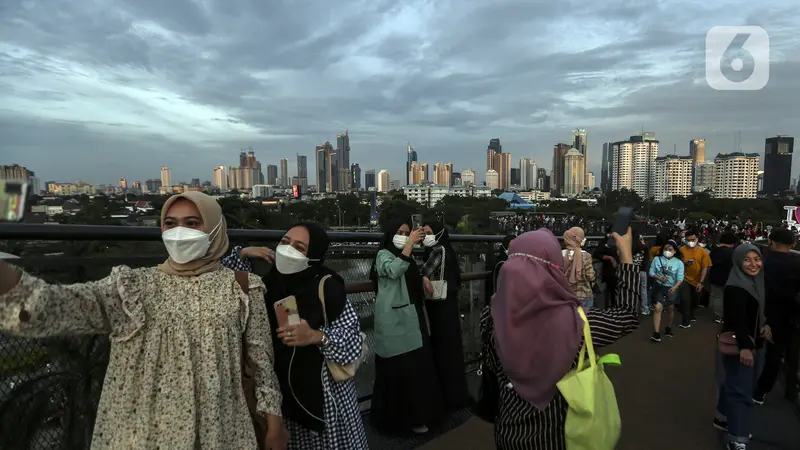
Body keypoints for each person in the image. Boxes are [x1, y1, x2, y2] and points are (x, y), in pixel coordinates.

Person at [0, 192, 286, 449]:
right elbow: (54, 306)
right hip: (144, 433)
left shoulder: (243, 288)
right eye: (170, 223)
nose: (179, 232)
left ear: (214, 228)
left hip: (224, 431)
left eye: (192, 223)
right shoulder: (132, 288)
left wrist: (274, 425)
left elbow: (261, 362)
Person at [481, 227, 641, 449]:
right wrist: (626, 255)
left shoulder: (489, 318)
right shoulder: (577, 323)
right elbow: (627, 315)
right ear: (554, 268)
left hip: (509, 433)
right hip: (558, 436)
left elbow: (492, 366)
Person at [227, 223, 369, 449]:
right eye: (284, 242)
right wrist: (243, 252)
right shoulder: (266, 283)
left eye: (299, 247)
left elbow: (353, 345)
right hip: (279, 396)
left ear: (313, 256)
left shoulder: (327, 286)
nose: (288, 249)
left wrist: (316, 336)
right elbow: (221, 280)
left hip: (325, 398)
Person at [369, 220, 444, 435]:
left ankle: (420, 415)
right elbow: (394, 270)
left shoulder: (407, 255)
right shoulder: (384, 254)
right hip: (395, 319)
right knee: (399, 367)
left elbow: (410, 273)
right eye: (399, 232)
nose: (403, 235)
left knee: (417, 366)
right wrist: (410, 243)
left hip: (412, 315)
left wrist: (423, 277)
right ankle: (399, 421)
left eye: (406, 232)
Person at [714, 244, 771, 450]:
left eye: (757, 259)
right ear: (738, 261)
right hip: (742, 345)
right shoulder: (736, 287)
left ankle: (722, 416)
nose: (753, 264)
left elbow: (759, 312)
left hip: (756, 341)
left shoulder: (757, 282)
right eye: (747, 260)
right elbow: (735, 320)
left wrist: (765, 325)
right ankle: (738, 438)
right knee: (742, 393)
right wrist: (745, 347)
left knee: (735, 382)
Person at [420, 221, 469, 412]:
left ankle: (445, 396)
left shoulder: (438, 250)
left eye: (428, 232)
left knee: (441, 347)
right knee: (452, 347)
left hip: (439, 306)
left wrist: (422, 276)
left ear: (438, 234)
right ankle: (456, 395)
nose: (425, 236)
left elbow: (424, 271)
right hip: (449, 304)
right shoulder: (448, 250)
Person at [753, 228, 800, 404]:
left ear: (770, 242)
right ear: (793, 244)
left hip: (768, 314)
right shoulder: (797, 263)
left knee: (771, 354)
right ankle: (791, 390)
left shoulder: (763, 263)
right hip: (794, 315)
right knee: (793, 355)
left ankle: (760, 391)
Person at [649, 240, 684, 342]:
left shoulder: (679, 263)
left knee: (670, 308)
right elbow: (651, 272)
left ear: (675, 251)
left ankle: (668, 327)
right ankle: (656, 333)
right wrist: (659, 278)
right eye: (665, 249)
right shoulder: (657, 259)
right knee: (658, 307)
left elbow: (680, 277)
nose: (667, 251)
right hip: (659, 286)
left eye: (670, 249)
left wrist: (675, 287)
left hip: (671, 288)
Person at [678, 229, 712, 328]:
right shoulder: (682, 250)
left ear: (697, 239)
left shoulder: (703, 252)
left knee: (695, 300)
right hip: (685, 279)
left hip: (697, 281)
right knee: (685, 299)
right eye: (688, 240)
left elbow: (705, 267)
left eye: (693, 239)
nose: (691, 242)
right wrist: (685, 263)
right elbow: (677, 264)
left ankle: (691, 313)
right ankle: (685, 321)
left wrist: (701, 282)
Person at [561, 227, 595, 308]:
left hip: (566, 295)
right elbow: (590, 276)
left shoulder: (560, 254)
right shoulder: (586, 255)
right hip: (584, 295)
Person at [709, 232, 737, 324]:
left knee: (717, 297)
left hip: (715, 276)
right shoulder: (733, 252)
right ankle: (727, 315)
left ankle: (718, 316)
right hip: (729, 277)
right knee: (728, 298)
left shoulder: (714, 251)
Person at [632, 230, 651, 316]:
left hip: (632, 271)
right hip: (642, 271)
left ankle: (633, 309)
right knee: (643, 290)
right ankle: (644, 308)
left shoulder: (630, 247)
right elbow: (647, 260)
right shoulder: (644, 247)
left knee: (632, 291)